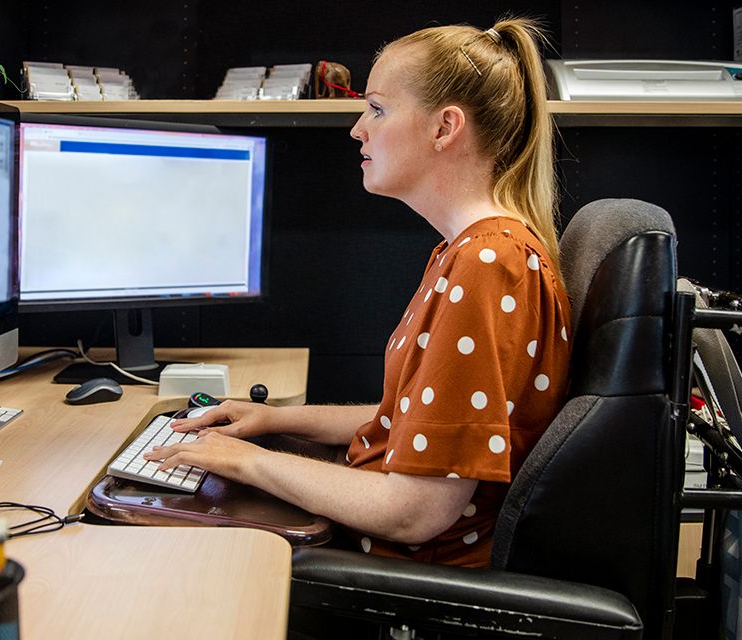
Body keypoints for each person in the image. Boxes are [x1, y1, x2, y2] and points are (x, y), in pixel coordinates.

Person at [144, 17, 571, 569]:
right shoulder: (475, 251)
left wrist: (246, 461)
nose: (357, 129)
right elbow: (414, 423)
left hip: (408, 565)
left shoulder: (488, 265)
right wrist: (273, 420)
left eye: (376, 109)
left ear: (445, 128)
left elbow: (413, 512)